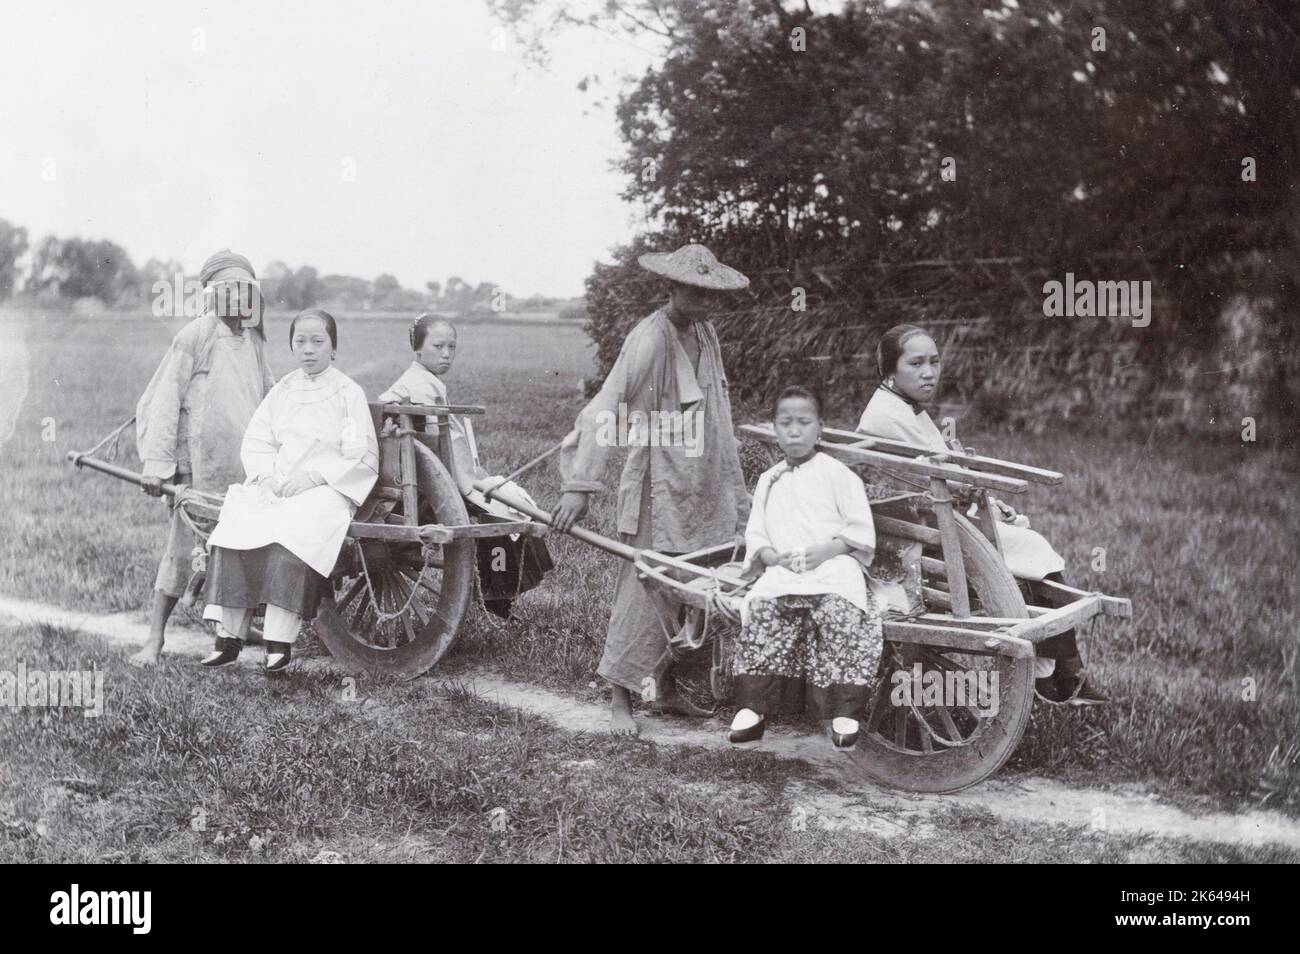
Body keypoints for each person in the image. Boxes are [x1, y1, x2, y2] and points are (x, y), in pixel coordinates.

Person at [551, 243, 751, 736]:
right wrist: (580, 484)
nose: (703, 300)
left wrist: (733, 481)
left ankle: (674, 690)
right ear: (672, 287)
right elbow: (607, 405)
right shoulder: (649, 338)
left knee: (698, 586)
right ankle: (621, 699)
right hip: (658, 482)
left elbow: (717, 412)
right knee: (647, 585)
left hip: (703, 481)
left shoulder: (706, 332)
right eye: (693, 290)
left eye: (710, 293)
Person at [857, 323, 1108, 705]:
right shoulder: (886, 417)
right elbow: (936, 481)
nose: (929, 372)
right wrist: (976, 493)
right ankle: (1061, 675)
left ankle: (1057, 671)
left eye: (935, 362)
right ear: (890, 370)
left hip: (933, 519)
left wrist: (983, 497)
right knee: (1034, 546)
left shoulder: (904, 409)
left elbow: (942, 471)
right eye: (917, 363)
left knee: (1026, 543)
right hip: (925, 532)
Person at [198, 309, 378, 671]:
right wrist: (265, 477)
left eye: (317, 342)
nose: (308, 350)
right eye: (300, 342)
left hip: (325, 489)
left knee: (291, 536)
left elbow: (360, 454)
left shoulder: (348, 393)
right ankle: (229, 638)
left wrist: (315, 477)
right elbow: (258, 442)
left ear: (333, 349)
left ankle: (278, 643)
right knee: (237, 525)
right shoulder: (283, 390)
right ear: (293, 347)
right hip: (278, 483)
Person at [130, 249, 276, 666]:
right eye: (227, 289)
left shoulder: (254, 341)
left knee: (241, 548)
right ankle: (154, 640)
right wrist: (158, 466)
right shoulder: (195, 336)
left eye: (244, 289)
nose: (236, 297)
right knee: (182, 552)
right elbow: (163, 400)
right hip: (198, 467)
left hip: (244, 468)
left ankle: (237, 625)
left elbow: (269, 396)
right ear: (211, 294)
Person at [730, 386, 882, 748]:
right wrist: (770, 557)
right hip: (786, 570)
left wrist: (829, 550)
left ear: (820, 429)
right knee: (765, 609)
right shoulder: (770, 479)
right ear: (775, 429)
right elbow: (758, 532)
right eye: (786, 423)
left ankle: (844, 710)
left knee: (840, 612)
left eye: (804, 422)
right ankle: (754, 707)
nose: (795, 431)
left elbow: (859, 529)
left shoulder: (838, 474)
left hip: (832, 567)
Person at [378, 314, 552, 617]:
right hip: (435, 479)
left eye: (452, 347)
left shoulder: (426, 383)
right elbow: (432, 443)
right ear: (417, 348)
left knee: (511, 502)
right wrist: (471, 481)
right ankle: (497, 594)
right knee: (500, 512)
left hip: (444, 473)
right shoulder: (416, 387)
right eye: (438, 346)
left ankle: (500, 592)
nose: (446, 354)